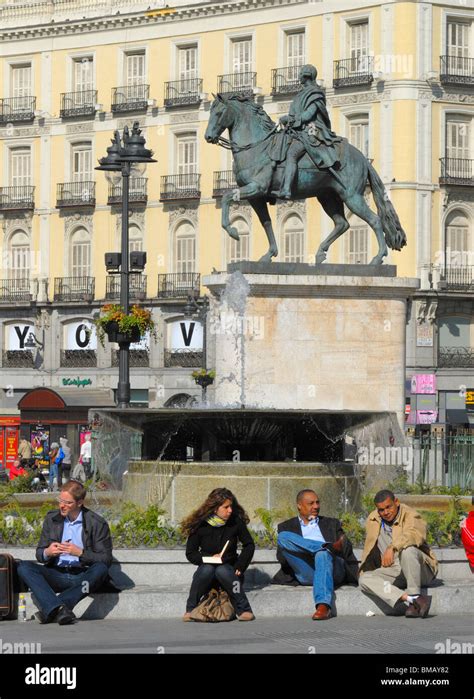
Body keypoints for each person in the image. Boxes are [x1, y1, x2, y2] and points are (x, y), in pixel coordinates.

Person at [17, 480, 112, 625]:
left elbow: (106, 559)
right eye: (60, 500)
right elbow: (39, 554)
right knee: (24, 567)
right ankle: (60, 608)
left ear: (79, 503)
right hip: (56, 574)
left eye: (67, 503)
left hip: (83, 576)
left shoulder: (97, 523)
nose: (62, 505)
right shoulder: (52, 519)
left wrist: (80, 553)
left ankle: (53, 608)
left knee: (101, 569)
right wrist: (48, 552)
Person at [273, 489, 358, 620]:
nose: (316, 506)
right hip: (306, 570)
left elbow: (345, 548)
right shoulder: (286, 526)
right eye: (311, 503)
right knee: (283, 537)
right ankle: (324, 547)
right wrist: (310, 550)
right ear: (299, 506)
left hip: (333, 569)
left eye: (317, 502)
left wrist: (332, 549)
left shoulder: (331, 523)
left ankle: (323, 605)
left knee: (323, 555)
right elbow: (283, 559)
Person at [359, 489, 438, 618]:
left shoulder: (410, 514)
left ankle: (414, 594)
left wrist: (393, 547)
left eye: (388, 507)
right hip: (396, 571)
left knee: (408, 550)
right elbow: (370, 548)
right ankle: (411, 599)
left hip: (421, 569)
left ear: (396, 501)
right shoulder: (373, 519)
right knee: (364, 579)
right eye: (381, 510)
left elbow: (414, 535)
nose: (385, 512)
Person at [181, 487, 256, 622]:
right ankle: (190, 609)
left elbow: (249, 545)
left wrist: (241, 565)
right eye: (226, 507)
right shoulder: (201, 525)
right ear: (215, 508)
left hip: (230, 570)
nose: (230, 510)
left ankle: (244, 609)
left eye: (231, 507)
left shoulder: (235, 522)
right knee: (206, 570)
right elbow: (191, 553)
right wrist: (209, 558)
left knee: (223, 571)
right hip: (207, 571)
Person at [271, 63, 343, 199]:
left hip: (311, 131)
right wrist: (287, 119)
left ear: (306, 76)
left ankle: (286, 189)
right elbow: (297, 114)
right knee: (277, 142)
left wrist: (292, 120)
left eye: (300, 73)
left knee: (292, 154)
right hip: (296, 130)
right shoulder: (301, 94)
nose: (298, 76)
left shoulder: (315, 93)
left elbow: (309, 115)